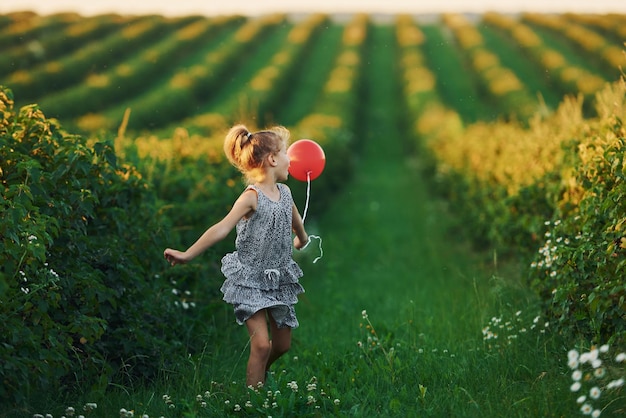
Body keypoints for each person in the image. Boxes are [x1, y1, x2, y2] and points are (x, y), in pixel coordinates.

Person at [163, 124, 309, 388]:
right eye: (286, 152)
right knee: (262, 345)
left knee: (282, 345)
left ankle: (261, 374)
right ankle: (253, 402)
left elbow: (295, 220)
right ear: (272, 159)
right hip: (250, 279)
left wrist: (302, 238)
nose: (291, 159)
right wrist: (187, 254)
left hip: (279, 279)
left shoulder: (285, 194)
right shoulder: (251, 197)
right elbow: (221, 228)